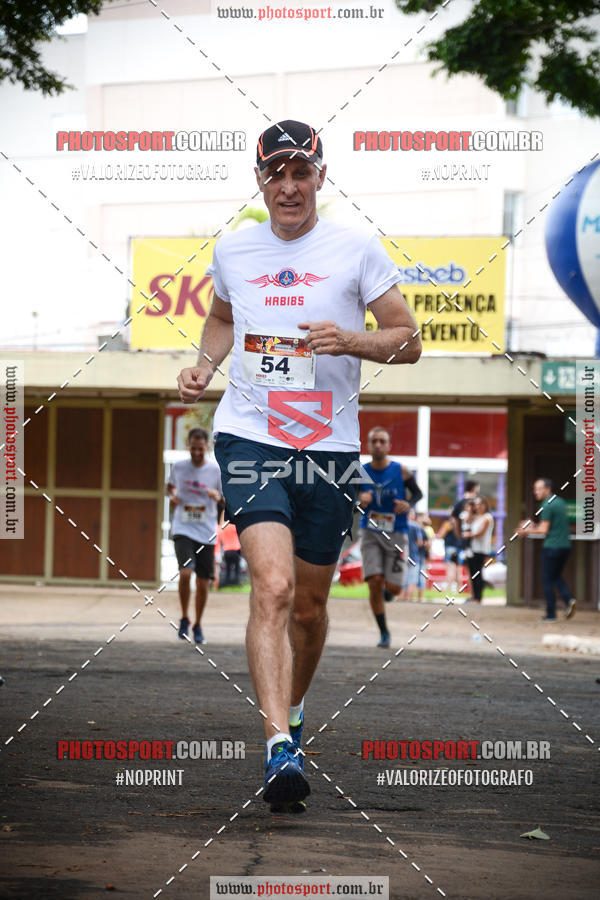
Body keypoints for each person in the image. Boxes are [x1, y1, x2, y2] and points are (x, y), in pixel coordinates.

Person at [176, 119, 422, 811]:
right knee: (275, 587)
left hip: (329, 446)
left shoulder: (356, 248)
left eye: (300, 172)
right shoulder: (234, 248)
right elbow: (223, 318)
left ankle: (294, 708)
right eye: (275, 174)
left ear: (320, 176)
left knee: (310, 609)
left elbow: (409, 340)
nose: (288, 187)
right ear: (259, 181)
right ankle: (278, 745)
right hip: (251, 436)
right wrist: (204, 365)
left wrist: (350, 340)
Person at [358, 426, 423, 648]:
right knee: (374, 581)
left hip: (397, 532)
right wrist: (360, 501)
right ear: (368, 445)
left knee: (394, 588)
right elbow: (350, 502)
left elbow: (418, 493)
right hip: (370, 531)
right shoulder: (361, 472)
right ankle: (384, 632)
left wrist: (408, 504)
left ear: (389, 446)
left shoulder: (400, 470)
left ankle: (388, 593)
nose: (378, 445)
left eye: (382, 441)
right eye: (374, 441)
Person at [166, 427, 222, 644]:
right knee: (186, 572)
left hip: (206, 531)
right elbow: (169, 487)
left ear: (206, 447)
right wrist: (172, 495)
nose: (197, 453)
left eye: (200, 449)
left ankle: (198, 623)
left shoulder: (215, 470)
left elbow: (225, 499)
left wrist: (216, 496)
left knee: (202, 581)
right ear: (188, 446)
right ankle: (184, 618)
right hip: (183, 527)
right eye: (193, 449)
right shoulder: (179, 467)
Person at [517, 478, 575, 622]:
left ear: (548, 489)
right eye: (535, 489)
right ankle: (568, 599)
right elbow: (550, 526)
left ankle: (551, 614)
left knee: (547, 580)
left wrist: (526, 531)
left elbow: (544, 530)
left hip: (552, 547)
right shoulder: (560, 502)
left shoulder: (547, 504)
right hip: (565, 546)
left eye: (539, 489)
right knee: (556, 576)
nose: (535, 492)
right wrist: (533, 526)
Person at [462, 496, 494, 602]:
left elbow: (481, 532)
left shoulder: (487, 517)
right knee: (472, 573)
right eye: (476, 504)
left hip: (481, 549)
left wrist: (469, 535)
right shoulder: (475, 517)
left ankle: (478, 597)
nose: (478, 507)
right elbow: (466, 521)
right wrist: (470, 510)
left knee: (477, 573)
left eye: (480, 504)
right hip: (472, 549)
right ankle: (474, 595)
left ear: (485, 505)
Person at [402, 509, 427, 602]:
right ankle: (410, 599)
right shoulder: (415, 526)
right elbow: (419, 542)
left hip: (402, 555)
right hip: (414, 556)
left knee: (403, 579)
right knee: (412, 580)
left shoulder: (401, 525)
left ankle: (401, 599)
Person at [437, 516, 460, 592]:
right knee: (457, 569)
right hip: (458, 548)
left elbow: (440, 535)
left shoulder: (448, 523)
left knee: (450, 568)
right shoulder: (459, 523)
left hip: (449, 547)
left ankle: (449, 588)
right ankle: (458, 588)